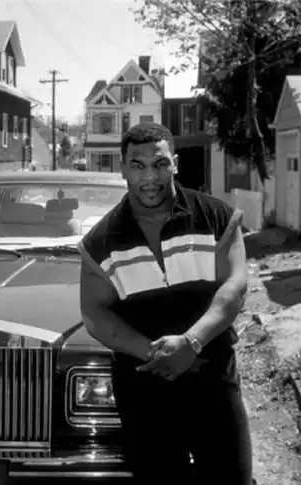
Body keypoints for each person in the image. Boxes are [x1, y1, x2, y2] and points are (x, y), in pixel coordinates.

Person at [78, 122, 252, 485]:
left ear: (175, 163)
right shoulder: (100, 242)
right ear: (123, 169)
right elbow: (94, 313)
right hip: (144, 390)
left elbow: (234, 287)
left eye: (159, 164)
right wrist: (156, 354)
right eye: (137, 165)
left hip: (212, 380)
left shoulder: (217, 218)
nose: (149, 177)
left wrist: (192, 342)